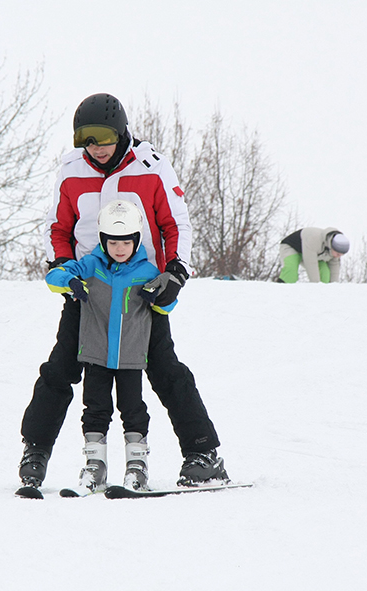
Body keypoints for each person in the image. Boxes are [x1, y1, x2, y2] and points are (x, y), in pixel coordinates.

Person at [19, 93, 228, 490]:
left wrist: (175, 274)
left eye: (102, 139)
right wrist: (64, 270)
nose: (95, 150)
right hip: (88, 292)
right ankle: (35, 452)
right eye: (86, 141)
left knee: (164, 370)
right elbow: (58, 228)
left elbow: (175, 224)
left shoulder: (151, 167)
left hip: (140, 294)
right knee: (60, 369)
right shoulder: (70, 170)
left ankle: (204, 454)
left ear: (121, 132)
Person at [45, 200, 177, 492]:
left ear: (137, 240)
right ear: (103, 241)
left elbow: (169, 305)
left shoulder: (147, 271)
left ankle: (137, 466)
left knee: (134, 410)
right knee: (95, 410)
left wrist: (160, 296)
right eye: (113, 242)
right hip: (94, 354)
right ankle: (95, 467)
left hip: (131, 357)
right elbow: (53, 277)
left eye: (126, 242)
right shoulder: (91, 265)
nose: (120, 248)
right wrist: (71, 281)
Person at [276, 227, 350, 283]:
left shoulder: (335, 248)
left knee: (325, 272)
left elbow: (334, 270)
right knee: (291, 270)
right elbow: (311, 264)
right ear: (332, 247)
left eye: (341, 255)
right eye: (337, 254)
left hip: (314, 254)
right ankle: (282, 292)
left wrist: (333, 288)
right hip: (291, 248)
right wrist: (315, 287)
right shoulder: (314, 239)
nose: (338, 256)